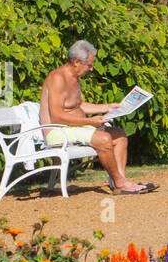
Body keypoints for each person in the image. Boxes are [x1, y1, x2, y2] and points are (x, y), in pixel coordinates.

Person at [39, 39, 155, 194]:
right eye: (89, 65)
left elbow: (77, 105)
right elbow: (57, 116)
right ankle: (121, 184)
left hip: (74, 128)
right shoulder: (58, 78)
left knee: (119, 135)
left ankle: (119, 181)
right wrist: (90, 121)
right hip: (57, 131)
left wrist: (108, 107)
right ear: (77, 61)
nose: (92, 69)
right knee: (104, 139)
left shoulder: (74, 78)